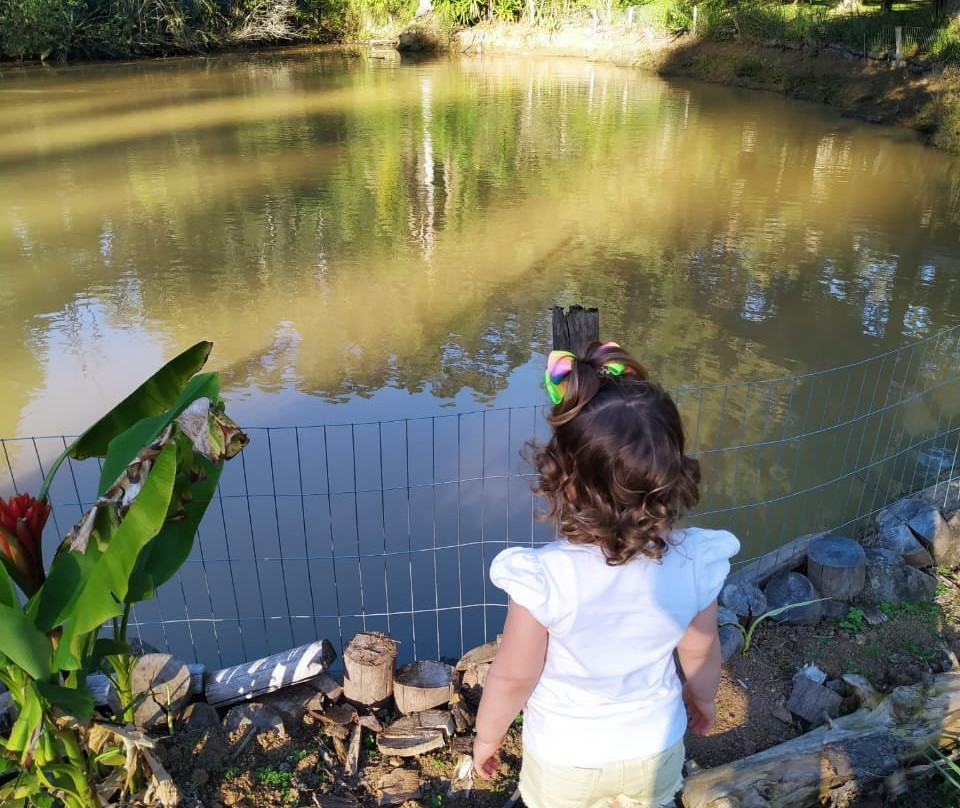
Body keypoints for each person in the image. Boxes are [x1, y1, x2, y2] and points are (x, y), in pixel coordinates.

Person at [472, 341, 740, 808]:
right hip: (654, 746)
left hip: (565, 758)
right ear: (674, 474)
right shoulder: (696, 561)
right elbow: (699, 649)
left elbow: (514, 676)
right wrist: (705, 699)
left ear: (565, 482)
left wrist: (487, 737)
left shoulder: (546, 578)